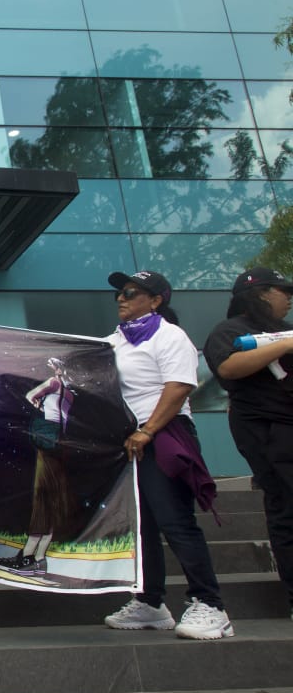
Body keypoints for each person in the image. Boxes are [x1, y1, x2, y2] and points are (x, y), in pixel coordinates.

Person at [101, 270, 232, 640]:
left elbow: (179, 388)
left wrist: (148, 430)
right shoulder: (117, 341)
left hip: (163, 434)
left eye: (130, 293)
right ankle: (151, 603)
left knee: (175, 521)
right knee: (141, 527)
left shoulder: (169, 336)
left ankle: (211, 604)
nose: (121, 299)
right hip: (131, 441)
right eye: (119, 295)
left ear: (156, 300)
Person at [204, 267, 293, 623]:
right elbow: (228, 367)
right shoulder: (231, 331)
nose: (287, 297)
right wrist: (285, 344)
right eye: (281, 290)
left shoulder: (281, 331)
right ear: (258, 294)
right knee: (287, 505)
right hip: (267, 429)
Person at [0, 357, 75, 576]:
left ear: (59, 369)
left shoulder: (54, 383)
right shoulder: (70, 392)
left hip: (48, 441)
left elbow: (31, 395)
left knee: (43, 497)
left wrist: (38, 403)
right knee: (52, 498)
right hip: (61, 443)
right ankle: (39, 557)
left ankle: (28, 556)